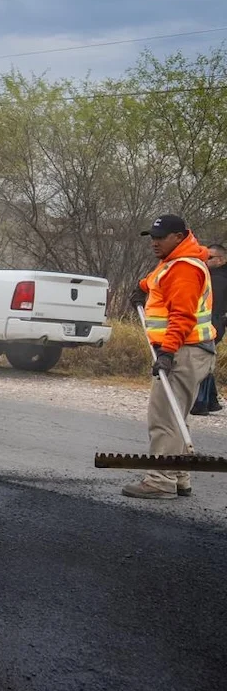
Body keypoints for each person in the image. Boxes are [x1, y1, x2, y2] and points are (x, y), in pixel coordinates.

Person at [123, 214, 217, 500]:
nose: (154, 242)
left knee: (164, 416)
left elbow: (182, 316)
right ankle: (178, 476)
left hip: (183, 351)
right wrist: (141, 288)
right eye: (152, 237)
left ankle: (160, 480)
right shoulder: (173, 263)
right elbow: (155, 281)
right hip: (191, 351)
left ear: (179, 236)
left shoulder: (185, 269)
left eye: (160, 237)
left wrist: (167, 352)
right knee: (177, 416)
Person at [191, 242, 227, 415]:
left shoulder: (217, 280)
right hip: (214, 324)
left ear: (221, 260)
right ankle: (212, 401)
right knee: (205, 361)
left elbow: (213, 307)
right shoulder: (213, 276)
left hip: (210, 325)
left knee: (202, 362)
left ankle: (201, 402)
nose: (206, 260)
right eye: (205, 256)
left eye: (210, 257)